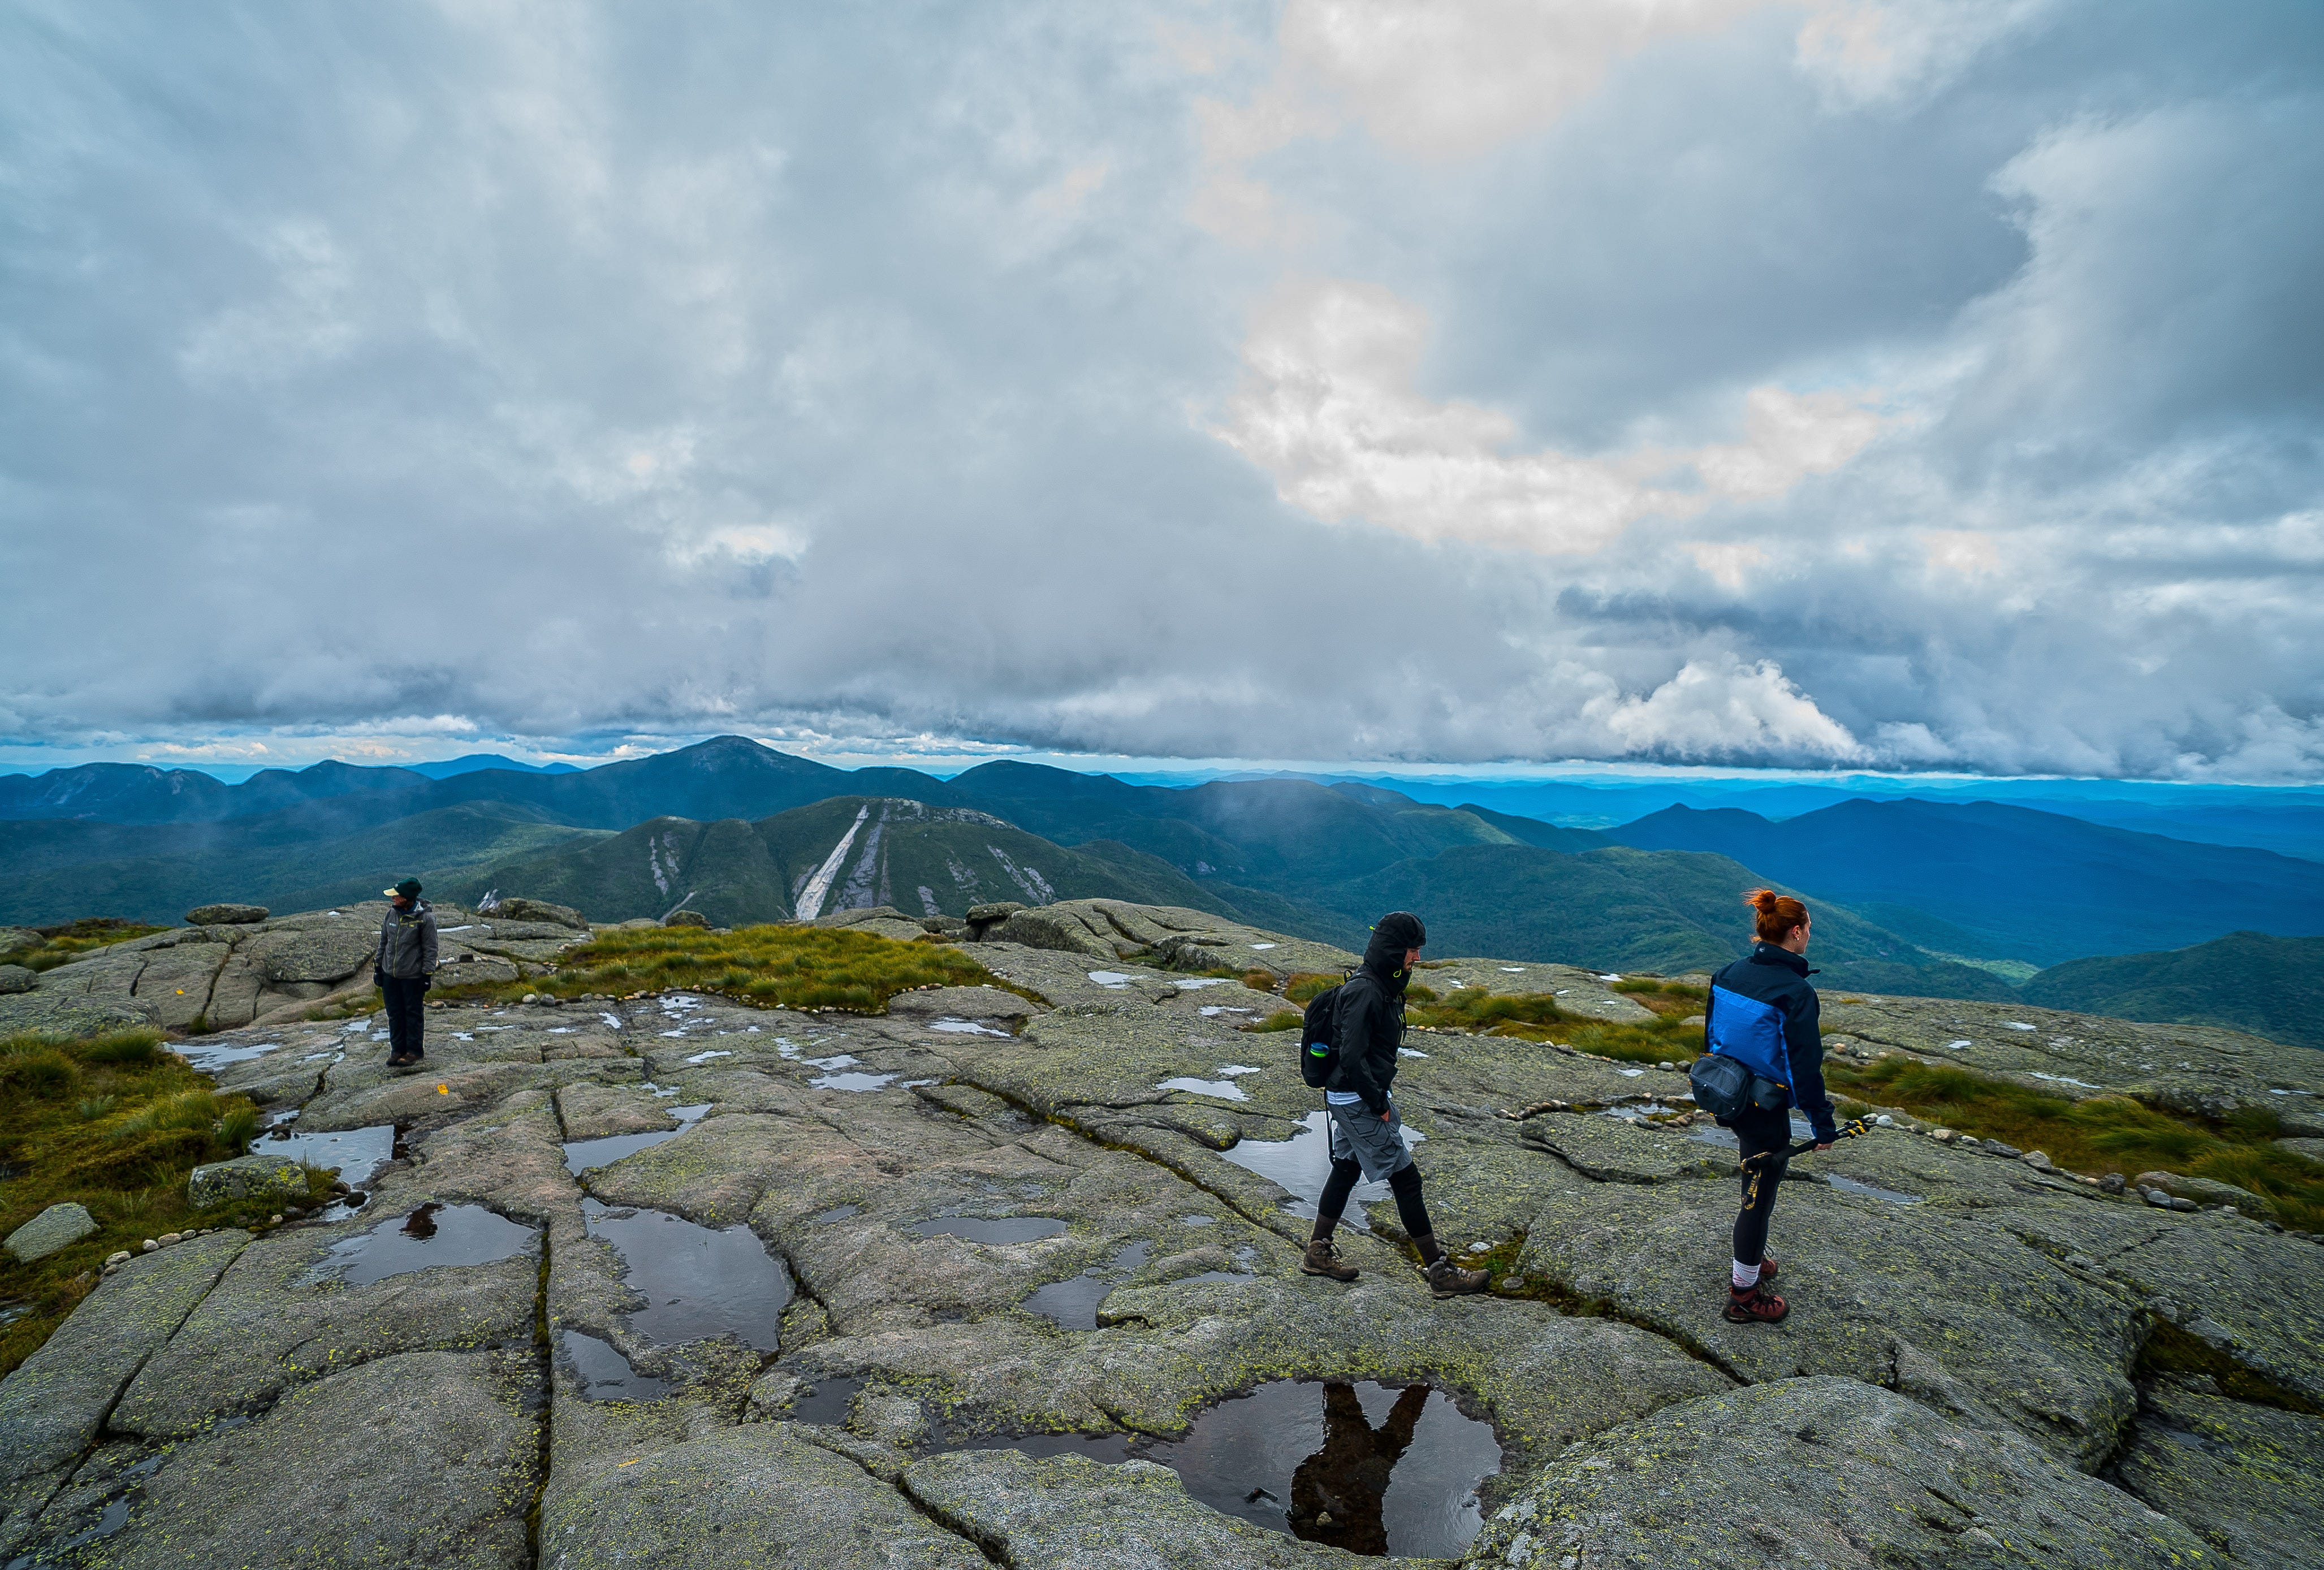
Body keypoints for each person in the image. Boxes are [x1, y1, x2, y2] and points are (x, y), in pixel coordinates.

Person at [1301, 911, 1488, 1297]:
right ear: (1392, 949)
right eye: (1412, 950)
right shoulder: (1366, 990)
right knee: (1406, 1178)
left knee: (1348, 1166)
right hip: (1357, 1099)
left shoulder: (1381, 983)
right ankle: (1440, 1273)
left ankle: (1317, 1253)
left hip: (1354, 1096)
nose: (1416, 958)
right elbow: (1351, 1057)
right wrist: (1377, 1104)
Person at [1708, 888, 1836, 1324]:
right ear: (1797, 932)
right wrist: (1823, 1125)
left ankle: (1752, 1260)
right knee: (1758, 1197)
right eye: (1809, 931)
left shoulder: (1727, 972)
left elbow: (1713, 1038)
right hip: (1764, 1107)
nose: (1808, 938)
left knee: (1755, 1182)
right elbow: (1805, 1069)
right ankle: (1744, 1293)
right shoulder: (1795, 992)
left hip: (1727, 1093)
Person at [1289, 1381, 1429, 1554]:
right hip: (1358, 1474)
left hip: (1354, 1471)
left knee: (1354, 1424)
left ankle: (1421, 1385)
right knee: (1385, 1432)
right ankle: (1421, 1384)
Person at [374, 877, 438, 1069]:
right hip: (390, 975)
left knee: (413, 1014)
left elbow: (430, 949)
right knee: (394, 1014)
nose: (392, 899)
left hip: (412, 976)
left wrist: (427, 975)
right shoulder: (390, 915)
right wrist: (378, 967)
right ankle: (397, 1050)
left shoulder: (426, 919)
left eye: (396, 896)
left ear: (408, 898)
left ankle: (414, 1052)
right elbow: (383, 943)